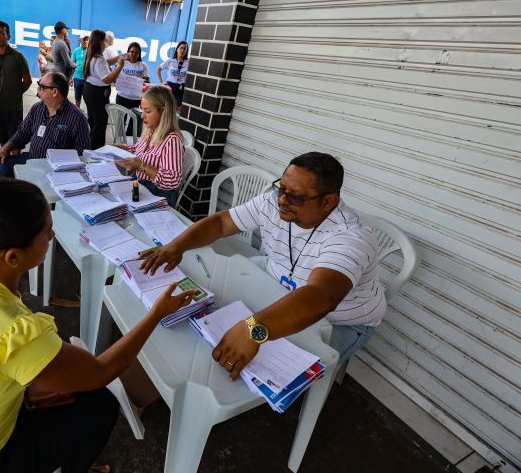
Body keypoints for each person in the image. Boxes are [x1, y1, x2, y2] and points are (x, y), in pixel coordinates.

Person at [0, 178, 196, 472]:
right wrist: (156, 314)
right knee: (100, 406)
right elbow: (101, 372)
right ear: (12, 257)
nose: (52, 235)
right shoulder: (12, 331)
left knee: (66, 394)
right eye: (47, 235)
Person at [140, 152, 386, 375]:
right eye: (282, 188)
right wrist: (176, 245)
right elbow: (222, 223)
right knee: (207, 312)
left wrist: (254, 329)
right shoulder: (273, 201)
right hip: (276, 278)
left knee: (264, 371)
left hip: (339, 320)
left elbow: (321, 297)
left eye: (296, 196)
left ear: (328, 202)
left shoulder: (352, 236)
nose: (282, 200)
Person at [0, 71, 90, 177]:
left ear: (55, 92)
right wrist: (5, 149)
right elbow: (22, 134)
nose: (38, 90)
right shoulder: (37, 108)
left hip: (56, 169)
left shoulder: (77, 118)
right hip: (31, 159)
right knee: (0, 165)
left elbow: (82, 154)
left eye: (42, 87)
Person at [114, 85, 183, 207]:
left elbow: (173, 181)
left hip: (159, 197)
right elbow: (138, 149)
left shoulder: (172, 140)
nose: (142, 116)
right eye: (142, 110)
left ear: (163, 111)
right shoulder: (151, 131)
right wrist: (123, 148)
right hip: (143, 189)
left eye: (148, 111)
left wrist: (141, 166)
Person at [0, 20, 32, 146]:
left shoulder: (18, 57)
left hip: (13, 107)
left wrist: (15, 92)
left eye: (1, 33)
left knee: (15, 142)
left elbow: (27, 81)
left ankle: (14, 165)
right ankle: (5, 164)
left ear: (8, 37)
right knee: (2, 140)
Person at [83, 29, 124, 150]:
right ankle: (96, 150)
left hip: (89, 91)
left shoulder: (92, 55)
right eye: (104, 41)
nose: (106, 43)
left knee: (93, 120)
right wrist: (120, 66)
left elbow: (104, 64)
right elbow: (107, 79)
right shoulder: (98, 58)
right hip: (98, 95)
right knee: (100, 123)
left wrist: (117, 58)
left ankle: (90, 146)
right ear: (100, 42)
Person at [157, 40, 189, 109]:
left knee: (176, 108)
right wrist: (161, 82)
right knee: (167, 106)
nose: (182, 50)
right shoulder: (170, 60)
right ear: (177, 49)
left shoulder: (188, 62)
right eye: (181, 48)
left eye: (185, 48)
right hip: (170, 86)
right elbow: (158, 69)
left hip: (181, 87)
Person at [71, 34, 88, 108]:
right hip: (77, 77)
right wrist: (71, 78)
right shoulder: (76, 50)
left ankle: (87, 117)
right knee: (77, 99)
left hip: (87, 78)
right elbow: (72, 62)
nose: (85, 41)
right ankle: (77, 115)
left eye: (87, 39)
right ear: (80, 41)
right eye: (84, 39)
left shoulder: (90, 51)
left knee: (87, 100)